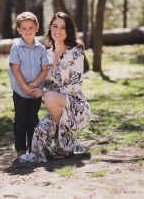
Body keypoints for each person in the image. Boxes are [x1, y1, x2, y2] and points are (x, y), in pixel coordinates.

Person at [19, 12, 91, 162]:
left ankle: (65, 146)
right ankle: (64, 143)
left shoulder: (75, 52)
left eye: (63, 28)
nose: (58, 31)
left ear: (69, 30)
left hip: (76, 108)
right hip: (55, 106)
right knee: (38, 134)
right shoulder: (45, 54)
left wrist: (45, 93)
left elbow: (75, 86)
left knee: (50, 96)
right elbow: (40, 80)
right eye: (55, 26)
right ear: (50, 28)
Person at [8, 12, 49, 158]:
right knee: (20, 119)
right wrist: (25, 87)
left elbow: (45, 69)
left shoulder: (42, 49)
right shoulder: (16, 48)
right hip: (20, 91)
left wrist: (37, 84)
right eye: (24, 28)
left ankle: (33, 148)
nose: (28, 31)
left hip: (36, 91)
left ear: (37, 28)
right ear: (19, 30)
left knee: (33, 118)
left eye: (31, 27)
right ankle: (20, 149)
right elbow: (15, 69)